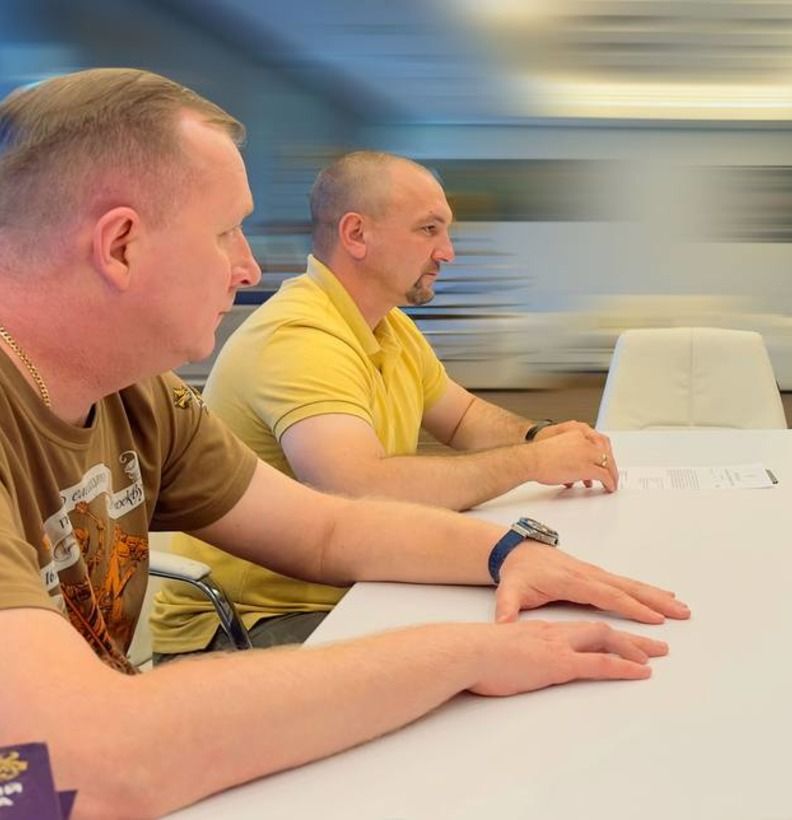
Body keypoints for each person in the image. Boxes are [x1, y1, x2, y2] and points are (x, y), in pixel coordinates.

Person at [0, 68, 688, 816]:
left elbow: (323, 529)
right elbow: (78, 763)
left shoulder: (139, 393)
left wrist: (509, 553)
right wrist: (465, 653)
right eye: (226, 232)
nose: (249, 267)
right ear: (121, 245)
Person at [149, 150, 627, 658]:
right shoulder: (299, 336)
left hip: (352, 588)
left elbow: (463, 417)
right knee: (495, 655)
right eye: (428, 230)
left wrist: (538, 437)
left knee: (525, 633)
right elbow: (361, 489)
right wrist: (532, 462)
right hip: (254, 623)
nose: (447, 252)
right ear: (356, 234)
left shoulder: (386, 324)